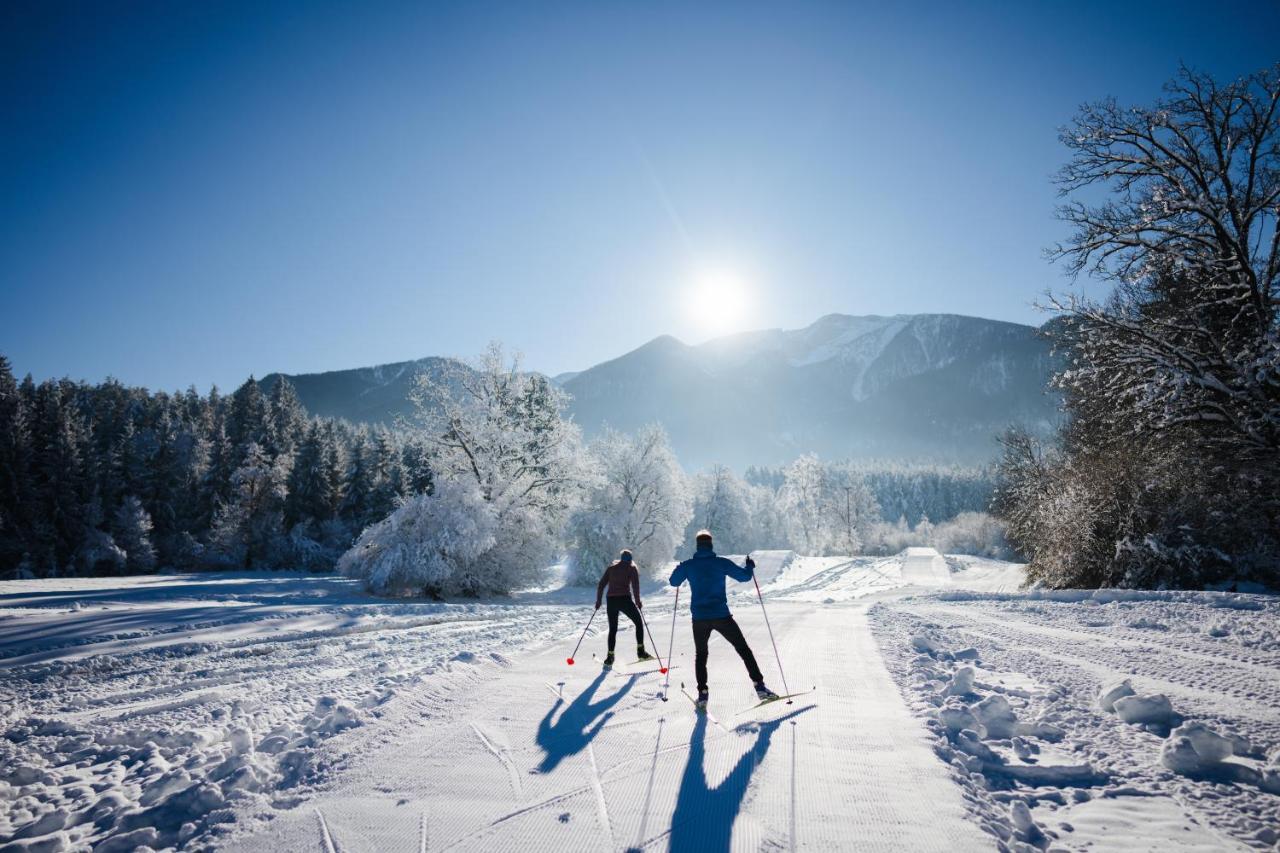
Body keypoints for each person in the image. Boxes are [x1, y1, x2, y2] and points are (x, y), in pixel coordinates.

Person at [669, 530, 778, 709]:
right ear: (711, 545)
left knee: (701, 656)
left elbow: (674, 582)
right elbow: (744, 577)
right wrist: (750, 566)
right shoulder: (721, 563)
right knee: (743, 650)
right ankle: (760, 687)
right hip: (721, 615)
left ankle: (702, 694)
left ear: (697, 546)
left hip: (700, 618)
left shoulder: (689, 565)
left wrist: (680, 568)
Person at [596, 549, 653, 667]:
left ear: (621, 558)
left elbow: (601, 585)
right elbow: (635, 586)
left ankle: (610, 657)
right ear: (630, 559)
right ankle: (641, 652)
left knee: (613, 629)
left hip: (611, 601)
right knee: (638, 623)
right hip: (624, 600)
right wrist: (637, 601)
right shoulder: (631, 568)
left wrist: (598, 601)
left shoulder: (611, 568)